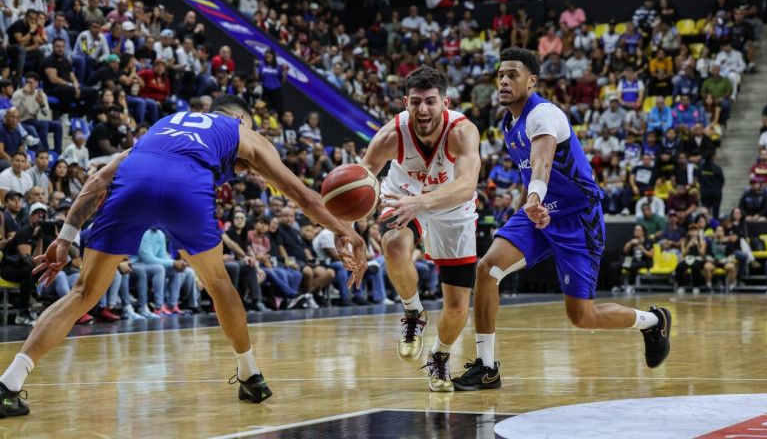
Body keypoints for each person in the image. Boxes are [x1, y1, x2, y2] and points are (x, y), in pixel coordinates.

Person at [0, 95, 367, 417]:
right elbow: (302, 196)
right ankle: (250, 374)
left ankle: (8, 384)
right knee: (219, 283)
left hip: (135, 183)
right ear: (240, 120)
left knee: (82, 293)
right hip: (186, 188)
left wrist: (65, 238)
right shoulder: (242, 133)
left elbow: (96, 182)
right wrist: (346, 231)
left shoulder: (162, 127)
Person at [450, 48, 672, 392]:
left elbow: (542, 164)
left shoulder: (544, 114)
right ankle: (487, 366)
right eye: (500, 75)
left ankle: (653, 321)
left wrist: (535, 199)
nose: (504, 81)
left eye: (512, 75)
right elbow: (528, 175)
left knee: (582, 316)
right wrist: (525, 207)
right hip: (536, 212)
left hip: (575, 219)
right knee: (487, 268)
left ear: (532, 81)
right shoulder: (508, 123)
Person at [359, 66, 481, 392]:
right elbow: (361, 178)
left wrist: (423, 202)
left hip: (453, 207)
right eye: (415, 102)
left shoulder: (462, 132)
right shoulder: (391, 134)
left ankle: (440, 355)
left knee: (457, 305)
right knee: (394, 245)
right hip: (403, 197)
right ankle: (414, 312)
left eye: (430, 101)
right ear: (405, 102)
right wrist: (347, 233)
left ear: (446, 102)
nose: (422, 109)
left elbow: (468, 186)